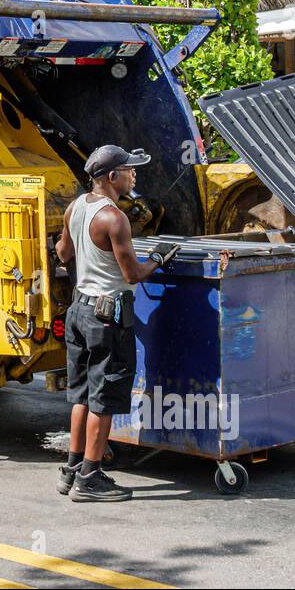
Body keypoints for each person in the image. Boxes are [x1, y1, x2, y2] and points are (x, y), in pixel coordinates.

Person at [54, 145, 179, 502]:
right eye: (129, 170)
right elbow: (132, 274)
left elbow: (64, 254)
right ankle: (90, 479)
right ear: (112, 177)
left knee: (80, 394)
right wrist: (156, 258)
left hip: (79, 311)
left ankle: (73, 468)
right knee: (104, 398)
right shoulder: (114, 218)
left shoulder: (75, 207)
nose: (134, 174)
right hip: (106, 317)